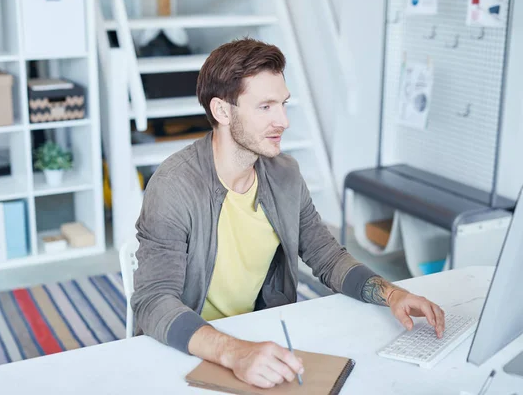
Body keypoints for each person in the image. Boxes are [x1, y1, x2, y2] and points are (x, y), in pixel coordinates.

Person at [131, 38, 445, 389]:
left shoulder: (285, 175)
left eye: (283, 104)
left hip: (256, 334)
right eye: (265, 107)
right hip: (190, 346)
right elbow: (153, 301)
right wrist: (235, 353)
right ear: (222, 111)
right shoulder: (174, 186)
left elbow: (327, 257)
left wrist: (392, 294)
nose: (283, 120)